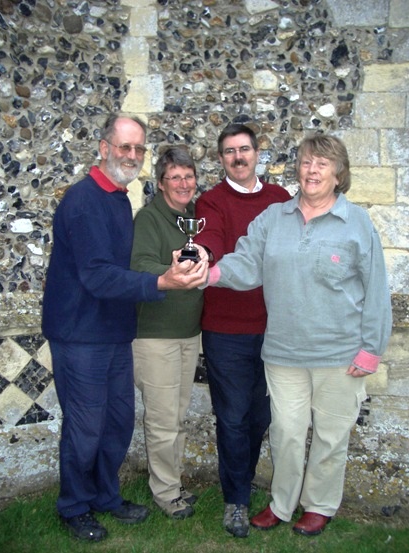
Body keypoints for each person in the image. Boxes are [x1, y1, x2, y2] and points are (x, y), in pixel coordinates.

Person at [204, 134, 392, 537]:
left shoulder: (356, 221)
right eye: (307, 162)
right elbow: (247, 263)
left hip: (340, 355)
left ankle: (320, 505)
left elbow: (376, 288)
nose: (312, 170)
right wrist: (209, 273)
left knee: (329, 436)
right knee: (286, 434)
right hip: (283, 352)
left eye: (322, 164)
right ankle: (282, 503)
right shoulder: (274, 217)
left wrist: (371, 350)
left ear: (339, 174)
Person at [42, 113, 208, 542]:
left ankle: (105, 496)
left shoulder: (117, 197)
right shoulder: (82, 201)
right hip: (79, 335)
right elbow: (97, 276)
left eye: (138, 149)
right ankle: (74, 506)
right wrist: (160, 282)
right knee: (86, 427)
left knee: (117, 422)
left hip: (115, 332)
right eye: (124, 147)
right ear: (104, 148)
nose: (131, 155)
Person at [194, 123, 291, 538]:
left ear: (257, 154)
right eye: (230, 151)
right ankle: (236, 500)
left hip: (278, 329)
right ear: (221, 159)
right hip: (227, 330)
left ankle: (243, 479)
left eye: (245, 149)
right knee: (232, 417)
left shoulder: (281, 199)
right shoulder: (211, 201)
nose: (238, 157)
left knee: (261, 417)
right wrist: (203, 253)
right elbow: (210, 235)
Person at [131, 146, 203, 519]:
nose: (183, 183)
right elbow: (140, 265)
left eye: (188, 176)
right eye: (175, 177)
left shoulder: (192, 218)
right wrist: (173, 273)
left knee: (177, 415)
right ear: (161, 183)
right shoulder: (149, 219)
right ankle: (165, 493)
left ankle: (172, 482)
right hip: (155, 336)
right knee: (161, 420)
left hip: (189, 333)